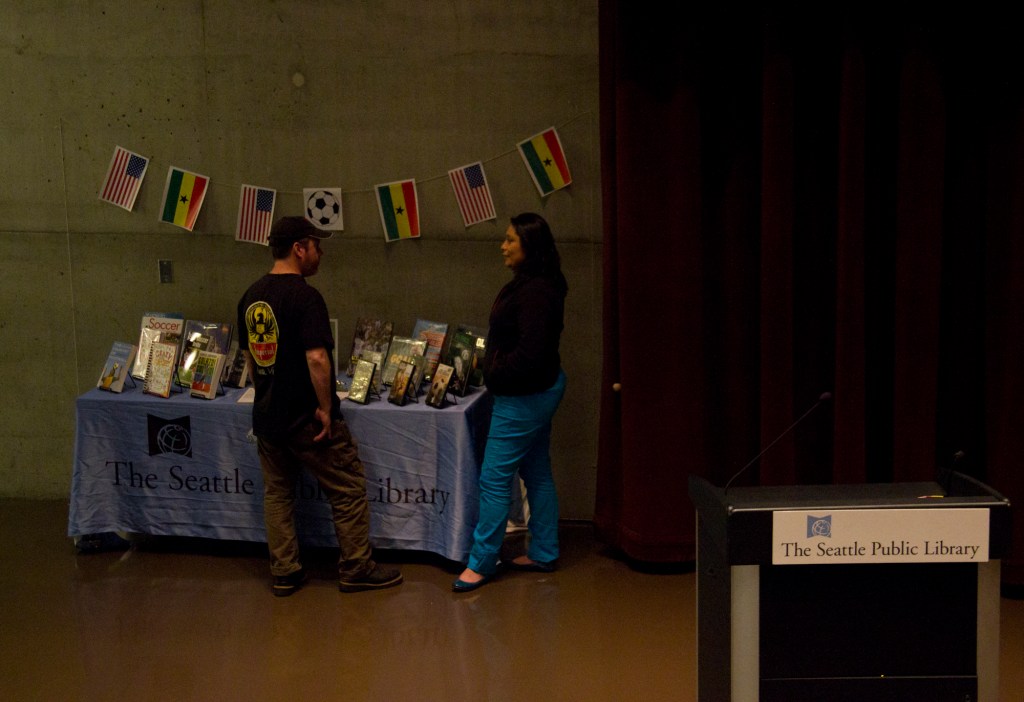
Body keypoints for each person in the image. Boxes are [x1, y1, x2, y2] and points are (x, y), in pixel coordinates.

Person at [238, 216, 402, 597]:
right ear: (299, 248)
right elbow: (317, 358)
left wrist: (266, 393)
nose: (321, 252)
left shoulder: (250, 296)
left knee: (278, 494)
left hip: (268, 417)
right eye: (316, 244)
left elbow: (250, 358)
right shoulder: (305, 296)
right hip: (306, 418)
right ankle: (357, 567)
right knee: (347, 488)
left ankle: (285, 571)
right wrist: (327, 409)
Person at [453, 212, 568, 592]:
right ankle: (545, 551)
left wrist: (494, 373)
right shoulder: (537, 283)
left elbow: (530, 354)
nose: (502, 246)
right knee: (536, 470)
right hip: (539, 390)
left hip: (523, 397)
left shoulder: (536, 292)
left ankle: (482, 562)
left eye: (510, 240)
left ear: (528, 246)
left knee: (494, 479)